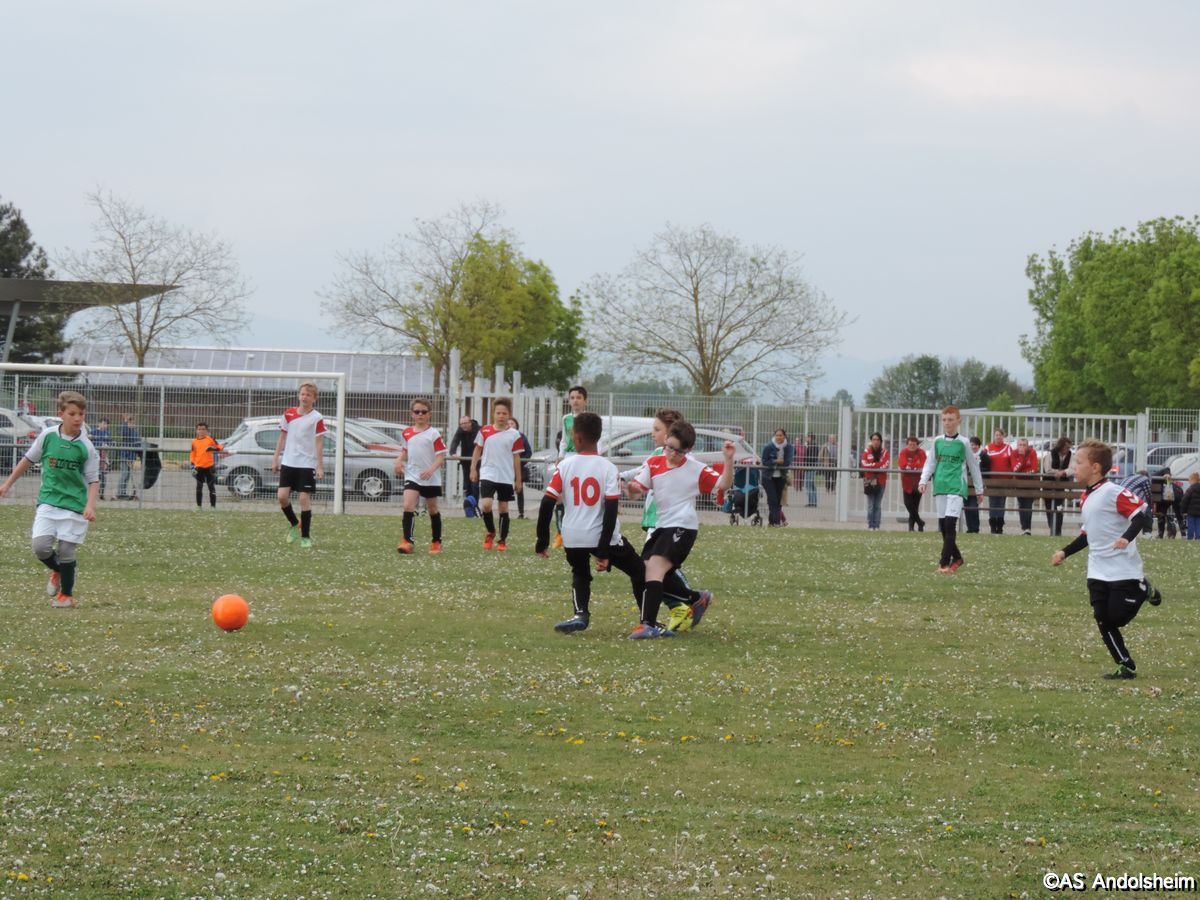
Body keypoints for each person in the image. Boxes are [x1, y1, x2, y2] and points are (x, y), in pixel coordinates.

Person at [1051, 439, 1162, 680]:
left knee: (1117, 618)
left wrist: (1126, 538)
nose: (1074, 466)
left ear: (1095, 468)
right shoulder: (1086, 496)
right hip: (1097, 570)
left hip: (1123, 570)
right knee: (1102, 618)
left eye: (1079, 462)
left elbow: (1141, 514)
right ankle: (1125, 665)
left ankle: (1144, 589)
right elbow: (1088, 534)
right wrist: (1064, 552)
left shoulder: (1113, 492)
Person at [534, 411, 646, 633]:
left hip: (572, 536)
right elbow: (611, 509)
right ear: (599, 437)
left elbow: (547, 503)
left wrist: (542, 540)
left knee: (580, 573)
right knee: (640, 572)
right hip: (601, 536)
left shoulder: (564, 466)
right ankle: (647, 620)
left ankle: (580, 614)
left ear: (576, 438)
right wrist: (603, 551)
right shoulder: (607, 467)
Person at [624, 420, 734, 639]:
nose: (673, 454)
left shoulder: (695, 468)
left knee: (654, 569)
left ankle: (648, 625)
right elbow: (636, 492)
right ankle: (695, 598)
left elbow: (723, 484)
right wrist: (630, 488)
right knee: (643, 572)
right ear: (666, 440)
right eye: (670, 447)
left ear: (688, 450)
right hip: (662, 526)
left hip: (683, 526)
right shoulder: (653, 463)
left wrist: (728, 460)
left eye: (679, 451)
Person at [0, 391, 100, 608]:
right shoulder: (47, 436)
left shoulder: (87, 447)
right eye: (72, 414)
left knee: (66, 551)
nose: (78, 418)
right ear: (61, 414)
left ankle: (66, 596)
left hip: (75, 505)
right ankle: (59, 570)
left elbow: (93, 480)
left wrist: (90, 506)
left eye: (81, 414)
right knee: (40, 547)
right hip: (48, 501)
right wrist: (7, 484)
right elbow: (27, 460)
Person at [919, 407, 985, 573]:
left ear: (958, 421)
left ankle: (943, 564)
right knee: (943, 527)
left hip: (957, 487)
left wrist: (979, 490)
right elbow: (930, 463)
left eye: (950, 419)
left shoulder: (963, 442)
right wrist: (923, 480)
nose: (947, 423)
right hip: (940, 486)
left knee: (950, 524)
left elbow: (973, 466)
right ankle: (958, 558)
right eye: (944, 420)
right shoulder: (937, 441)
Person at [271, 381, 325, 549]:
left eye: (308, 395)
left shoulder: (317, 418)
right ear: (298, 396)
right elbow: (282, 437)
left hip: (307, 463)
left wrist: (319, 466)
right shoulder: (288, 414)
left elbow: (319, 443)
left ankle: (306, 537)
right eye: (302, 394)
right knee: (282, 497)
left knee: (303, 498)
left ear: (314, 398)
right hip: (288, 462)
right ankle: (295, 523)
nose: (305, 397)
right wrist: (275, 458)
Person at [470, 397, 524, 552]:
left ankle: (502, 540)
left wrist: (518, 479)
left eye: (504, 413)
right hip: (488, 473)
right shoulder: (485, 431)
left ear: (509, 415)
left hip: (505, 475)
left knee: (503, 508)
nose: (501, 416)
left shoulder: (514, 435)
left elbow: (516, 457)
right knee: (486, 505)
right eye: (498, 413)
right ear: (493, 414)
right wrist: (473, 468)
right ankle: (491, 531)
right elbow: (477, 450)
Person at [395, 398, 447, 555]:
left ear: (429, 414)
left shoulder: (433, 434)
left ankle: (436, 541)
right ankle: (407, 541)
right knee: (408, 506)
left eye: (423, 412)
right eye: (417, 412)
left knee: (432, 509)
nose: (420, 414)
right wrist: (398, 460)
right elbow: (405, 450)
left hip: (430, 477)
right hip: (412, 475)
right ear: (412, 414)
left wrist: (431, 470)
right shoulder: (407, 432)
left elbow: (440, 457)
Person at [553, 385, 590, 548]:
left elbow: (596, 440)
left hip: (583, 459)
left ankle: (581, 532)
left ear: (585, 401)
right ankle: (561, 533)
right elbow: (564, 440)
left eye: (579, 398)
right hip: (568, 458)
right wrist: (560, 456)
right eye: (572, 398)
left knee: (580, 496)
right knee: (559, 496)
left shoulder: (589, 418)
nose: (575, 401)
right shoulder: (566, 419)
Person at [761, 429, 794, 527]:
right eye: (777, 435)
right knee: (773, 499)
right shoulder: (768, 447)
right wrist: (775, 461)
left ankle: (771, 522)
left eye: (781, 435)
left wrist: (780, 462)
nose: (778, 437)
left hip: (781, 477)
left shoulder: (789, 447)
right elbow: (764, 461)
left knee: (778, 501)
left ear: (784, 436)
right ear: (774, 436)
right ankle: (777, 522)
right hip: (768, 477)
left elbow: (787, 462)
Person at [189, 422, 224, 509]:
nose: (201, 431)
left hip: (209, 467)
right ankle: (199, 506)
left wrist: (214, 448)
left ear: (207, 430)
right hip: (198, 467)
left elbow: (220, 447)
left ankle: (213, 507)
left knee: (211, 487)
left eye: (203, 429)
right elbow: (193, 454)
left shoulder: (210, 439)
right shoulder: (194, 441)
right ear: (196, 430)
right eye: (199, 429)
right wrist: (193, 466)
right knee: (199, 487)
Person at [1042, 436, 1073, 536]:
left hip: (1060, 487)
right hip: (1048, 486)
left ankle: (1057, 530)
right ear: (1061, 446)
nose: (1068, 449)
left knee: (1059, 508)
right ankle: (1052, 528)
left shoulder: (1070, 456)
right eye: (1066, 447)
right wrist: (1059, 472)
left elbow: (1072, 469)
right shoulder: (1050, 455)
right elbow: (1048, 469)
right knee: (1049, 509)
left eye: (1069, 447)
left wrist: (1063, 473)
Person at [985, 428, 1013, 534]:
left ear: (1003, 436)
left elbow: (1012, 462)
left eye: (1000, 435)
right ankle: (993, 526)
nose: (998, 437)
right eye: (996, 435)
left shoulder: (1008, 448)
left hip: (1004, 481)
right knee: (993, 504)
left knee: (1001, 504)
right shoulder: (988, 447)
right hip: (992, 481)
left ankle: (1000, 526)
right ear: (994, 436)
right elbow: (982, 461)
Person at [860, 432, 889, 531]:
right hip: (870, 480)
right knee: (870, 505)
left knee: (877, 505)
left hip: (881, 481)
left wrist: (872, 466)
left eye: (877, 440)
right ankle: (870, 525)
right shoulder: (867, 451)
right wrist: (877, 465)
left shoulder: (885, 452)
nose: (875, 441)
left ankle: (877, 525)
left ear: (880, 441)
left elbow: (885, 465)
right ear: (871, 441)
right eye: (873, 439)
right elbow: (864, 465)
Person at [449, 415, 481, 504]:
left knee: (474, 482)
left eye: (465, 423)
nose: (463, 425)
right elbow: (455, 440)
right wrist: (453, 452)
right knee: (467, 484)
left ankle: (475, 504)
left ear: (470, 422)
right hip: (465, 460)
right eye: (461, 424)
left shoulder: (478, 429)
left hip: (477, 460)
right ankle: (469, 505)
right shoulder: (460, 430)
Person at [897, 435, 927, 532]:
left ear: (917, 445)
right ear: (907, 445)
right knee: (908, 503)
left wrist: (911, 466)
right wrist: (914, 466)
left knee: (915, 505)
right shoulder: (903, 452)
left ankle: (912, 527)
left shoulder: (921, 453)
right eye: (910, 444)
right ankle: (920, 522)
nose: (912, 446)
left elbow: (923, 465)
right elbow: (902, 464)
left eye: (914, 445)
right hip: (907, 483)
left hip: (918, 483)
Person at [1011, 437, 1040, 535]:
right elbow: (1015, 469)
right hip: (1019, 483)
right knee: (1021, 505)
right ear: (1017, 445)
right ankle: (1024, 527)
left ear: (1028, 446)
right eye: (1020, 445)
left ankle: (1027, 528)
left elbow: (1034, 469)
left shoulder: (1032, 452)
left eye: (1024, 445)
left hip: (1030, 483)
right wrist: (1021, 457)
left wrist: (1023, 473)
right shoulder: (1014, 453)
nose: (1022, 447)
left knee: (1028, 505)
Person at [963, 436, 988, 534]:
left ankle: (975, 528)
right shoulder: (966, 455)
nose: (973, 447)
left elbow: (987, 468)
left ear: (979, 445)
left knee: (973, 507)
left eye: (975, 445)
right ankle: (969, 528)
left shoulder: (983, 455)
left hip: (976, 486)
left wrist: (977, 471)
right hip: (966, 485)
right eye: (971, 445)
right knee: (967, 507)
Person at [510, 417, 534, 518]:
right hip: (505, 468)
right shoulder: (502, 435)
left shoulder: (521, 437)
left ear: (516, 425)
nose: (510, 425)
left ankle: (521, 513)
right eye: (508, 423)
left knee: (519, 490)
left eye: (512, 423)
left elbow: (528, 452)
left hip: (518, 468)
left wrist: (519, 462)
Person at [116, 412, 141, 500]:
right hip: (125, 456)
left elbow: (138, 443)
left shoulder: (135, 432)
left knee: (128, 475)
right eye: (130, 423)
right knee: (124, 473)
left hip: (132, 457)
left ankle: (124, 492)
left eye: (133, 423)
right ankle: (120, 493)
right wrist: (125, 422)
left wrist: (138, 454)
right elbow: (123, 432)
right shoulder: (126, 430)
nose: (132, 424)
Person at [91, 417, 111, 501]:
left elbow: (109, 443)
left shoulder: (108, 433)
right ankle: (93, 494)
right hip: (95, 456)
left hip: (103, 456)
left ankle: (102, 493)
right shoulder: (93, 431)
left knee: (103, 475)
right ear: (99, 423)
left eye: (106, 424)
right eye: (104, 423)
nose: (105, 425)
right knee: (95, 475)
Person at [1181, 472, 1200, 540]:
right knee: (1198, 525)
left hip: (1191, 512)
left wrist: (1183, 510)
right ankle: (1198, 538)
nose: (1189, 482)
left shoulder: (1190, 489)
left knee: (1191, 525)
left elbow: (1184, 500)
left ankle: (1190, 538)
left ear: (1193, 480)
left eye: (1189, 480)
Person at [803, 434, 819, 507]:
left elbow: (812, 458)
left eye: (808, 437)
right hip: (809, 467)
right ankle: (813, 502)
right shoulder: (809, 446)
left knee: (808, 485)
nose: (806, 438)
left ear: (811, 438)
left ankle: (812, 502)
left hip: (811, 467)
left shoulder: (813, 447)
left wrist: (806, 463)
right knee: (811, 485)